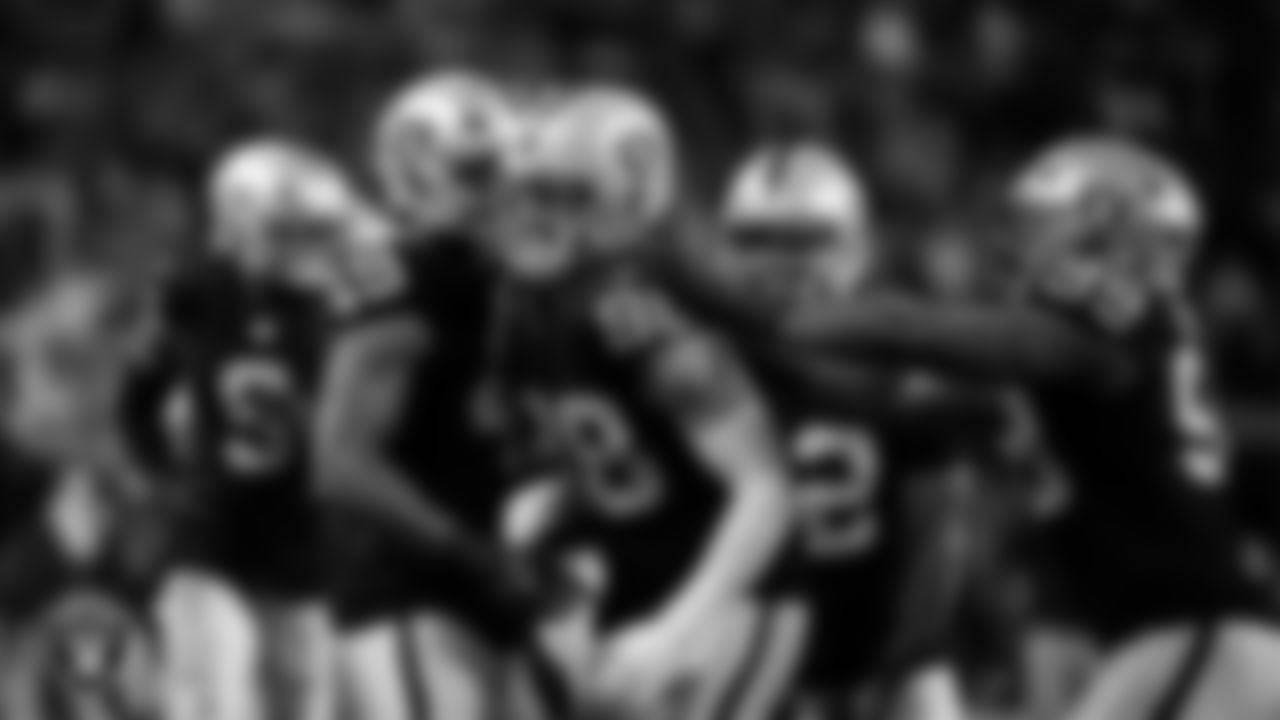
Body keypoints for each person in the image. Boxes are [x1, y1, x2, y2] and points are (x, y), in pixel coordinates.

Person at [668, 136, 1280, 720]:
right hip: (1179, 640)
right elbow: (863, 400)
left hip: (1196, 630)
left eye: (1043, 222)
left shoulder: (1117, 317)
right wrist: (734, 323)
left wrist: (796, 315)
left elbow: (929, 334)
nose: (1019, 244)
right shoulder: (1109, 352)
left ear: (1108, 230)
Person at [495, 85, 801, 720]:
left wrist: (677, 628)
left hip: (732, 595)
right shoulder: (532, 307)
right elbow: (611, 457)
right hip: (643, 586)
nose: (533, 216)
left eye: (568, 195)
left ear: (630, 197)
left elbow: (765, 488)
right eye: (527, 191)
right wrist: (532, 521)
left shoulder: (636, 311)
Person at [314, 69, 556, 720]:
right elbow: (341, 463)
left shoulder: (493, 276)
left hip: (487, 597)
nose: (505, 189)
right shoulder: (408, 279)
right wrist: (473, 555)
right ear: (415, 174)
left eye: (510, 168)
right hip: (410, 593)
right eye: (478, 171)